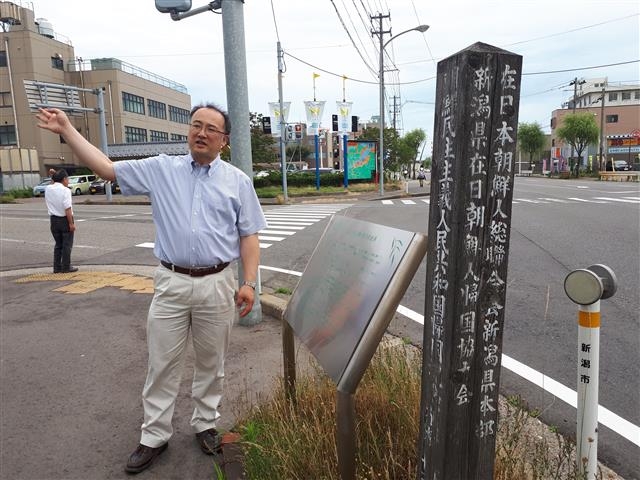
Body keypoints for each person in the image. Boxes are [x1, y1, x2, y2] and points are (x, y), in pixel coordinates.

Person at [36, 103, 267, 474]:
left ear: (223, 141)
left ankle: (205, 424)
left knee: (212, 363)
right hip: (171, 281)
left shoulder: (237, 181)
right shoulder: (162, 168)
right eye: (196, 125)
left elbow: (249, 236)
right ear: (188, 131)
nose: (201, 133)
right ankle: (154, 436)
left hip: (217, 283)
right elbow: (106, 168)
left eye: (211, 129)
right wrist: (66, 129)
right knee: (162, 364)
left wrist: (250, 284)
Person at [45, 168, 78, 273]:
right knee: (67, 245)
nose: (68, 181)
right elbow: (67, 208)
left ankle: (57, 267)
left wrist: (54, 175)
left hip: (53, 220)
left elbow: (53, 183)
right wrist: (71, 223)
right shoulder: (66, 190)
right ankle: (66, 267)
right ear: (64, 179)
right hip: (64, 220)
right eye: (67, 179)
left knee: (58, 245)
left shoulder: (48, 188)